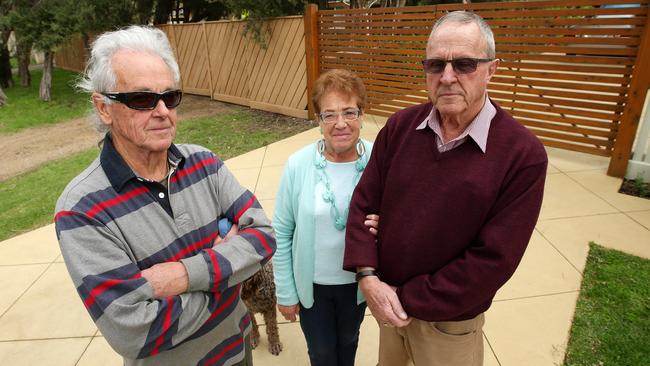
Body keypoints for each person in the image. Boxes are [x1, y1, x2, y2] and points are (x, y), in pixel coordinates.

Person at [54, 25, 275, 366]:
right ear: (103, 108)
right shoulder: (82, 210)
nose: (162, 111)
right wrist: (230, 279)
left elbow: (263, 237)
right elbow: (135, 332)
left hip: (237, 350)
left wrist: (181, 277)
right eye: (142, 99)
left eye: (169, 96)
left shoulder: (204, 162)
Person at [343, 11, 548, 366]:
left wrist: (403, 296)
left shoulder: (523, 155)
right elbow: (362, 204)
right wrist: (367, 276)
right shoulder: (399, 127)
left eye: (465, 64)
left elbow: (492, 261)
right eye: (436, 65)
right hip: (385, 303)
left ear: (492, 69)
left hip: (448, 326)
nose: (448, 77)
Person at [272, 69, 376, 366]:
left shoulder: (378, 158)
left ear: (362, 114)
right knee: (322, 353)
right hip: (312, 288)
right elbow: (282, 232)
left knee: (349, 343)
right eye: (329, 115)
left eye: (349, 112)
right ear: (318, 121)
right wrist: (286, 292)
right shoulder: (298, 165)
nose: (340, 124)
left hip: (359, 284)